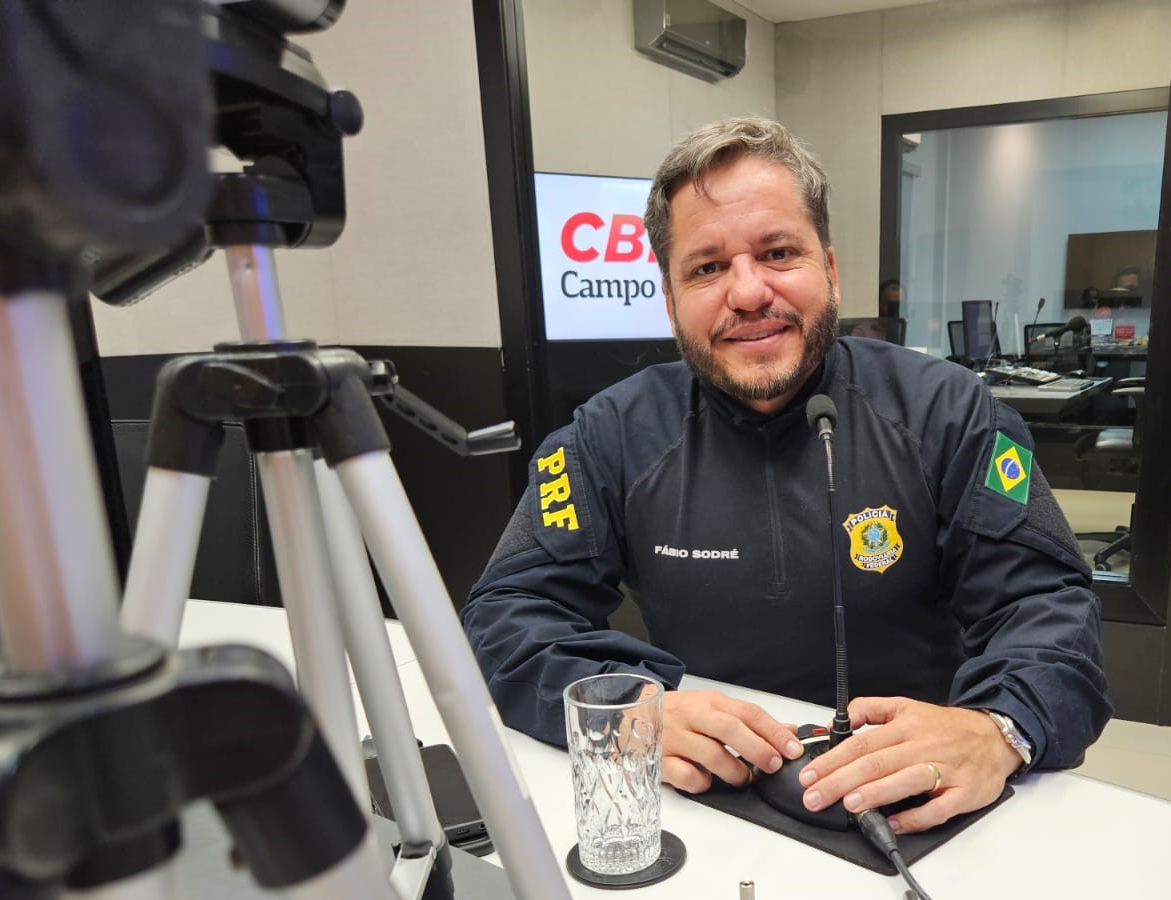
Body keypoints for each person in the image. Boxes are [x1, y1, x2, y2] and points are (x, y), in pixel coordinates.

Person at [463, 117, 1109, 836]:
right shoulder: (609, 434)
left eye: (777, 252)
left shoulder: (951, 414)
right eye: (706, 267)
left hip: (918, 800)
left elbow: (1047, 604)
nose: (747, 292)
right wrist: (627, 708)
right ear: (669, 295)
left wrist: (999, 728)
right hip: (704, 796)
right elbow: (507, 613)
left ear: (829, 269)